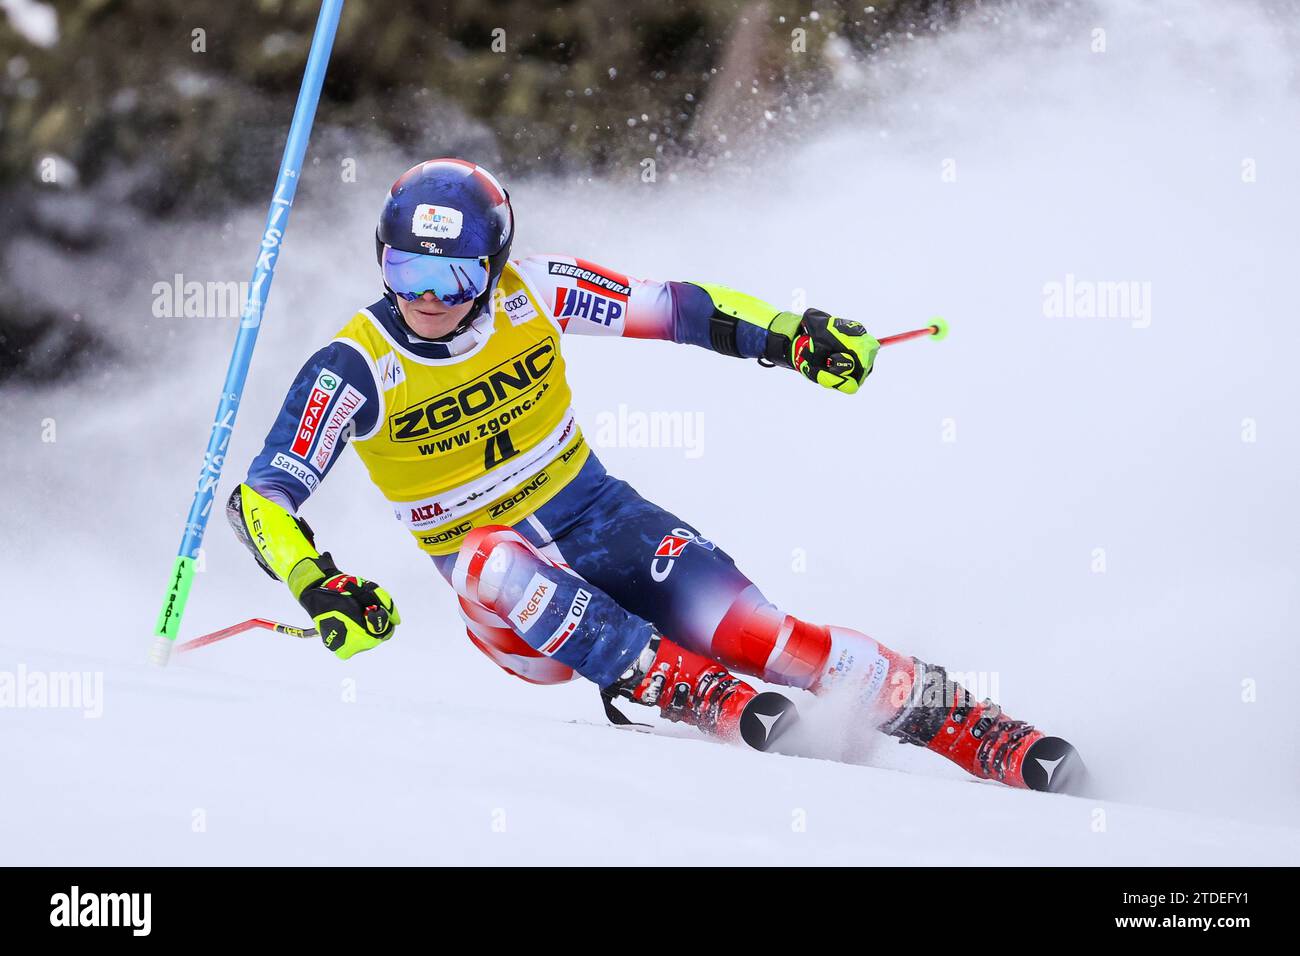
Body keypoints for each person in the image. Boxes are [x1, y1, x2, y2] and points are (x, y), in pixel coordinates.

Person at [226, 157, 1084, 792]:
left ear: (494, 267)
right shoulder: (358, 364)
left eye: (455, 276)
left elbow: (676, 307)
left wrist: (790, 336)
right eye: (405, 270)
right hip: (509, 611)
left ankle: (961, 721)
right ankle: (677, 687)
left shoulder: (538, 292)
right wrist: (318, 582)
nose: (430, 298)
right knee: (491, 554)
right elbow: (260, 496)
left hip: (597, 514)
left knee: (762, 634)